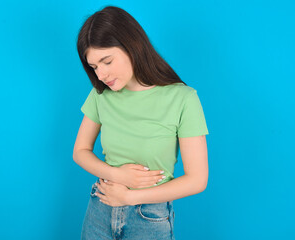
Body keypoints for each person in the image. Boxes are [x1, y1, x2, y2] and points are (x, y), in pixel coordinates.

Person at [73, 5, 209, 240]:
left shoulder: (183, 99)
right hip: (100, 208)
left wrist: (130, 197)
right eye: (94, 67)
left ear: (131, 46)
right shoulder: (100, 95)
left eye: (107, 61)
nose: (101, 75)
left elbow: (197, 180)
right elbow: (80, 152)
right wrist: (119, 176)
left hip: (149, 218)